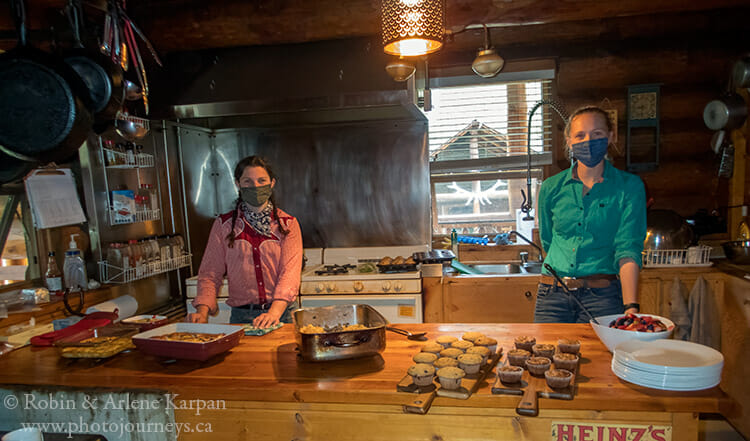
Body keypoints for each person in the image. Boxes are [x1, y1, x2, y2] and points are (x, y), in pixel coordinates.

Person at [535, 105, 647, 323]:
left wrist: (631, 306)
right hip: (552, 296)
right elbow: (548, 241)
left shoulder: (629, 187)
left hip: (603, 298)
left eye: (597, 134)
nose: (588, 141)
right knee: (543, 355)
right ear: (569, 141)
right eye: (580, 135)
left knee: (599, 356)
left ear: (610, 137)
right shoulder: (551, 188)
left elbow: (628, 248)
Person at [188, 156, 303, 327]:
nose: (255, 186)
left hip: (282, 315)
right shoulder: (223, 226)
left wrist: (273, 314)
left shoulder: (288, 225)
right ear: (238, 184)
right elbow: (210, 273)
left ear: (272, 183)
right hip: (241, 317)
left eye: (261, 180)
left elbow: (290, 275)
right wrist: (202, 311)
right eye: (248, 181)